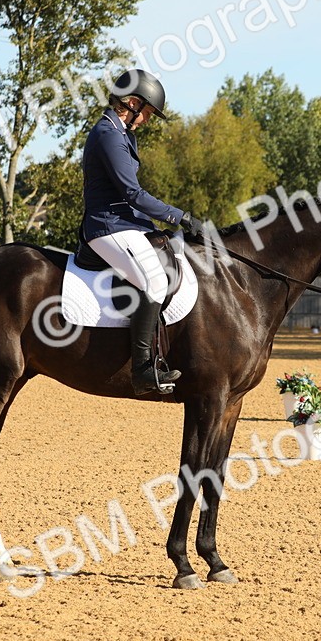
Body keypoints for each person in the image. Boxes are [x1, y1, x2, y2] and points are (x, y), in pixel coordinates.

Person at [80, 69, 199, 396]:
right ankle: (143, 369)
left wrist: (159, 227)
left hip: (124, 222)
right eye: (147, 112)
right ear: (132, 103)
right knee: (156, 281)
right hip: (107, 225)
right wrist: (180, 216)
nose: (147, 119)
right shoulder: (108, 135)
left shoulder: (122, 134)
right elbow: (133, 193)